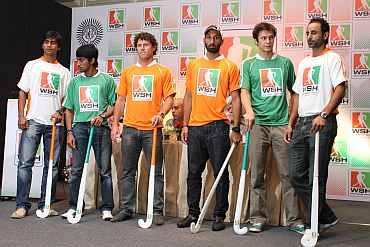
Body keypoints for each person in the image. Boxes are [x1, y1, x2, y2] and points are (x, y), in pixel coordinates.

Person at [240, 22, 304, 233]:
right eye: (263, 38)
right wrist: (249, 111)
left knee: (288, 174)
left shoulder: (285, 63)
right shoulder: (248, 64)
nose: (267, 42)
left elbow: (294, 92)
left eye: (270, 38)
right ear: (257, 41)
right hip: (258, 125)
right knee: (257, 175)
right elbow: (244, 92)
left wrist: (290, 121)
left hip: (280, 125)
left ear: (274, 39)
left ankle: (294, 219)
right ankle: (257, 218)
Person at [177, 25, 242, 231]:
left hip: (218, 127)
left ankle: (219, 215)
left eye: (216, 37)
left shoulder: (230, 67)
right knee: (194, 173)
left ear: (221, 41)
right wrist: (185, 125)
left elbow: (237, 99)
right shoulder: (195, 65)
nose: (212, 40)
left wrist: (235, 127)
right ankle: (192, 213)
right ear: (204, 41)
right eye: (208, 37)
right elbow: (188, 96)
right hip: (195, 127)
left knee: (220, 173)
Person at [284, 18, 346, 233]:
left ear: (325, 35)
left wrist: (324, 114)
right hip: (301, 123)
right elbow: (297, 96)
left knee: (316, 177)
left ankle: (314, 224)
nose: (309, 36)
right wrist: (291, 123)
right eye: (308, 33)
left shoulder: (332, 58)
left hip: (322, 122)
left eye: (314, 33)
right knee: (295, 174)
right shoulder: (303, 63)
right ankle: (325, 215)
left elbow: (340, 88)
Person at [111, 32, 175, 225]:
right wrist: (115, 122)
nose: (142, 48)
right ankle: (126, 208)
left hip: (152, 130)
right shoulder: (128, 72)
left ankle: (156, 211)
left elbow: (169, 98)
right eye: (139, 45)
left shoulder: (162, 71)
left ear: (154, 47)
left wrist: (161, 114)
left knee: (156, 171)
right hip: (130, 128)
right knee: (128, 171)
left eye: (146, 45)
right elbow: (121, 100)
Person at [11, 31, 70, 219]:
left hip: (55, 125)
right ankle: (22, 205)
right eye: (47, 42)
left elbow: (67, 101)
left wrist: (60, 113)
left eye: (54, 43)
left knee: (51, 167)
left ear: (58, 47)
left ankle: (45, 205)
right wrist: (22, 116)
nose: (50, 45)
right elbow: (22, 92)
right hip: (33, 120)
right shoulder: (33, 66)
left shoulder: (64, 72)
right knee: (25, 164)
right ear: (42, 45)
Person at [62, 44, 116, 221]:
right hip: (79, 128)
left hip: (100, 128)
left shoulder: (106, 80)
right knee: (76, 170)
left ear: (92, 60)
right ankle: (74, 206)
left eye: (82, 60)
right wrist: (69, 132)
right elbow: (68, 109)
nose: (78, 63)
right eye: (77, 59)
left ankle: (107, 207)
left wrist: (102, 115)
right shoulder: (75, 82)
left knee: (105, 170)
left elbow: (113, 105)